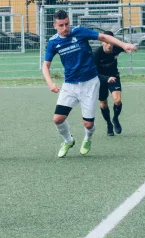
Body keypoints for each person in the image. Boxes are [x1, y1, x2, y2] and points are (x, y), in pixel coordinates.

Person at [42, 10, 136, 157]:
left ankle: (88, 138)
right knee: (58, 119)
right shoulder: (53, 42)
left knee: (88, 124)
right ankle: (68, 141)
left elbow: (103, 37)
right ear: (55, 25)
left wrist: (124, 45)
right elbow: (45, 66)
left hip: (90, 84)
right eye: (61, 25)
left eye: (67, 24)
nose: (65, 27)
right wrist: (50, 83)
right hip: (70, 85)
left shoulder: (79, 31)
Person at [93, 30, 126, 136]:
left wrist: (129, 47)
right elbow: (94, 73)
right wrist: (106, 78)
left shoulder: (116, 49)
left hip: (114, 77)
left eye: (111, 42)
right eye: (107, 42)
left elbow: (125, 46)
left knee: (117, 100)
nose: (109, 45)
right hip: (101, 79)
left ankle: (115, 119)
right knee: (103, 104)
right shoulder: (97, 54)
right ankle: (109, 124)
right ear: (102, 42)